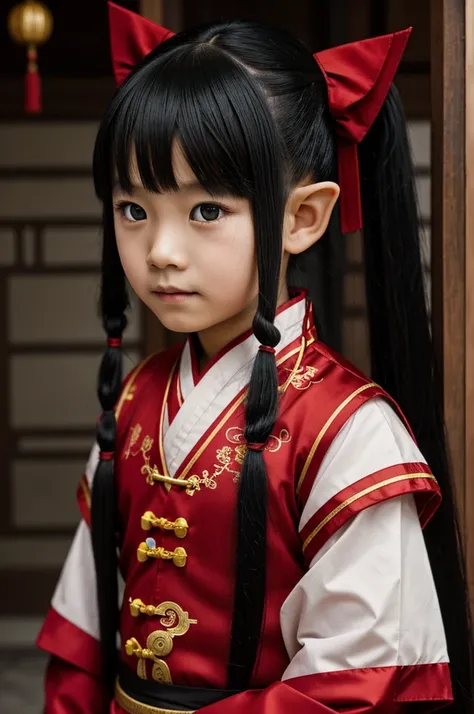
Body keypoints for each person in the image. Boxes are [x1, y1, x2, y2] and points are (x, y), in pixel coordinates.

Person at [37, 3, 473, 713]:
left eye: (206, 210)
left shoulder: (349, 430)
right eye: (133, 208)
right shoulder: (136, 401)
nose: (161, 252)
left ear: (303, 217)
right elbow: (83, 632)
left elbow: (350, 687)